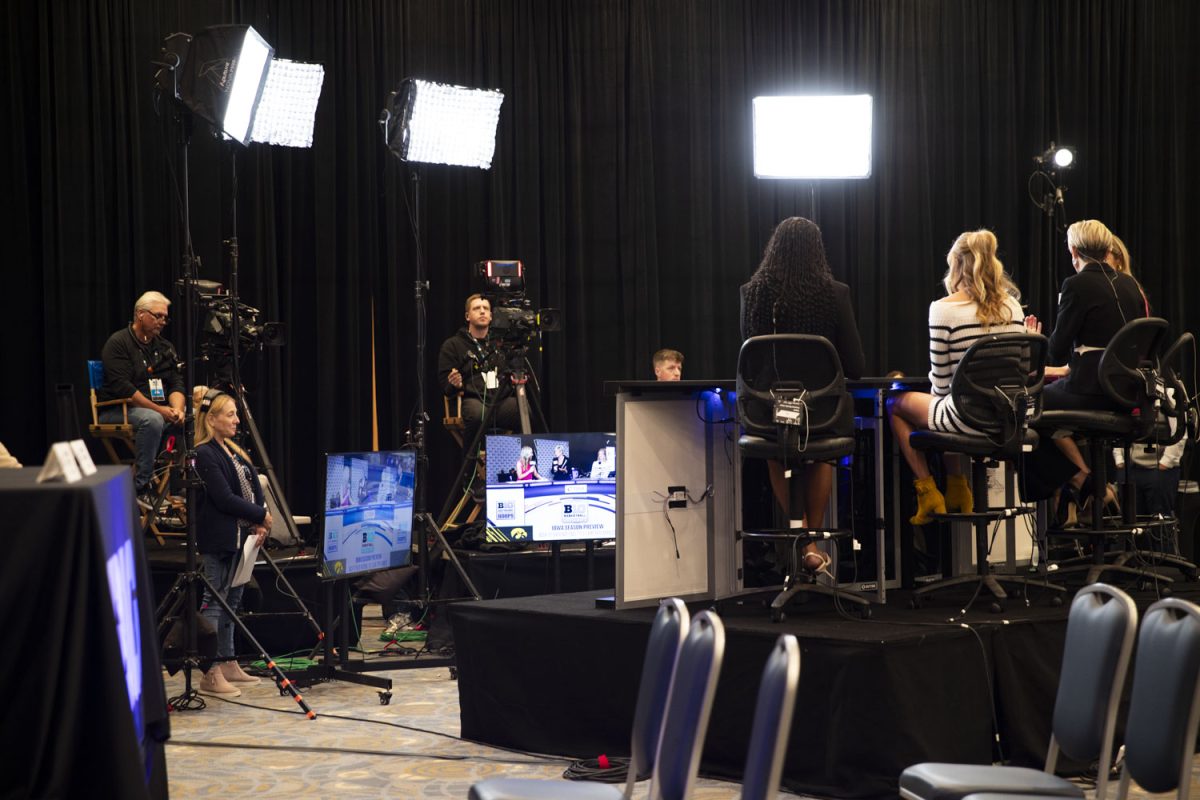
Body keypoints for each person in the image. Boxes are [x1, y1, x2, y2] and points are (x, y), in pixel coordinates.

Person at [741, 217, 866, 572]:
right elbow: (855, 366)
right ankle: (811, 539)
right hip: (821, 414)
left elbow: (748, 366)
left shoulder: (751, 294)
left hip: (767, 415)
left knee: (777, 448)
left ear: (773, 251)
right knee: (822, 452)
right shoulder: (835, 294)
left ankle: (805, 542)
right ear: (817, 252)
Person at [887, 229, 1026, 524]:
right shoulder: (1013, 306)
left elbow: (940, 384)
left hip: (964, 418)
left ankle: (929, 491)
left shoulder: (942, 310)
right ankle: (957, 488)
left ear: (957, 265)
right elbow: (1021, 370)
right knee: (950, 404)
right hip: (1007, 421)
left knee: (895, 403)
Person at [1023, 219, 1150, 518]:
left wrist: (1032, 340)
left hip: (1091, 392)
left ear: (1074, 251)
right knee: (1044, 403)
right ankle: (1091, 483)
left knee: (1023, 408)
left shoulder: (1076, 285)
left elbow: (1055, 348)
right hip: (1128, 396)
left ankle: (1082, 480)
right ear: (1108, 249)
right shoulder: (1131, 285)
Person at [193, 391, 271, 698]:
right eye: (230, 414)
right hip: (220, 540)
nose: (237, 420)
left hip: (243, 538)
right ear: (211, 419)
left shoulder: (232, 451)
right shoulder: (204, 453)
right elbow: (224, 498)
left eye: (236, 414)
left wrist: (259, 518)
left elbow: (254, 484)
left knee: (233, 600)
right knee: (214, 602)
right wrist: (260, 515)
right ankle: (209, 672)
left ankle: (228, 662)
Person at [97, 291, 185, 505]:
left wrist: (177, 409)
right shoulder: (118, 343)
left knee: (190, 419)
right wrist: (161, 411)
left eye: (165, 317)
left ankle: (173, 485)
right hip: (117, 410)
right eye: (158, 316)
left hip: (154, 411)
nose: (163, 321)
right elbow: (123, 389)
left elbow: (176, 382)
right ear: (140, 314)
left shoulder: (164, 347)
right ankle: (140, 486)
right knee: (152, 419)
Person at [437, 294, 523, 450]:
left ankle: (513, 463)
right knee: (477, 415)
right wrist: (454, 383)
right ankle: (471, 469)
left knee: (524, 411)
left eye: (486, 309)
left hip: (500, 401)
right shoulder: (453, 345)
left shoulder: (501, 344)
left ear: (491, 316)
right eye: (477, 308)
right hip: (473, 401)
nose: (482, 312)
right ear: (467, 316)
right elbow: (445, 386)